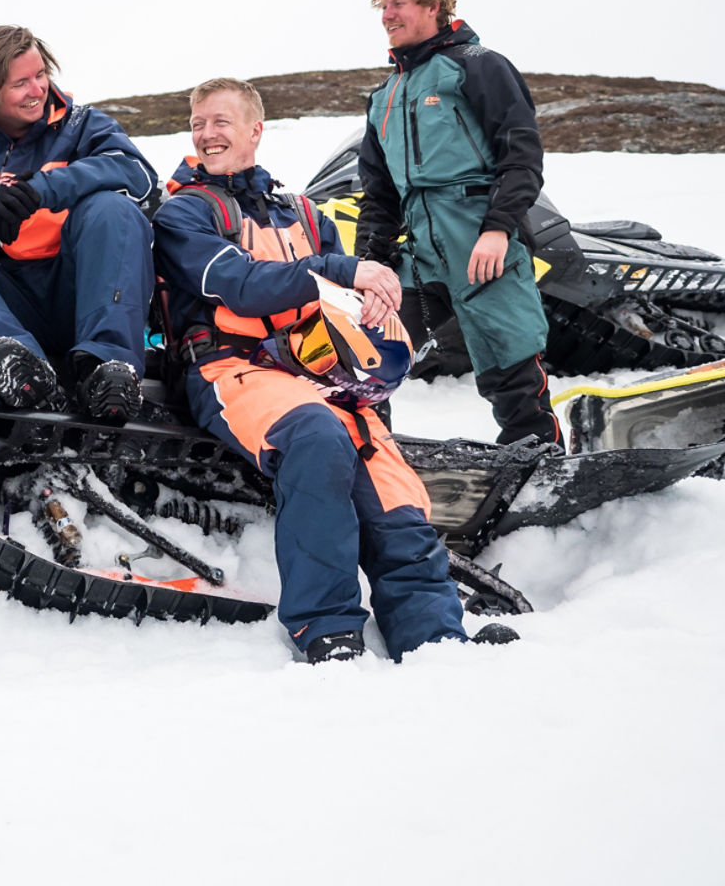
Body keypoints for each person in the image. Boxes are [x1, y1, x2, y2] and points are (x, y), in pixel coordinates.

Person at [153, 77, 508, 662]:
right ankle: (326, 629)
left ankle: (436, 639)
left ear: (254, 130)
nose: (206, 134)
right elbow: (238, 285)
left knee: (391, 481)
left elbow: (343, 304)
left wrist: (369, 320)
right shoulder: (185, 211)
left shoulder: (305, 213)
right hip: (232, 369)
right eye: (198, 124)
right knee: (316, 436)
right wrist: (343, 270)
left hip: (323, 380)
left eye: (220, 122)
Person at [356, 0, 562, 448]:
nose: (387, 15)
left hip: (480, 242)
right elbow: (380, 194)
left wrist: (497, 230)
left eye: (397, 4)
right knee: (363, 353)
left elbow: (521, 155)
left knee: (510, 369)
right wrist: (370, 264)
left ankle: (543, 467)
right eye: (383, 7)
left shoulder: (477, 66)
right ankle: (369, 461)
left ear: (431, 4)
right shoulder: (384, 96)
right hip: (419, 254)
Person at [0, 26, 157, 424]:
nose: (37, 89)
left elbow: (139, 175)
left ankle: (109, 370)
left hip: (78, 293)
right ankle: (10, 364)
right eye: (20, 83)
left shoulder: (82, 125)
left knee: (113, 208)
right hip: (6, 300)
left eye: (40, 75)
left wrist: (43, 190)